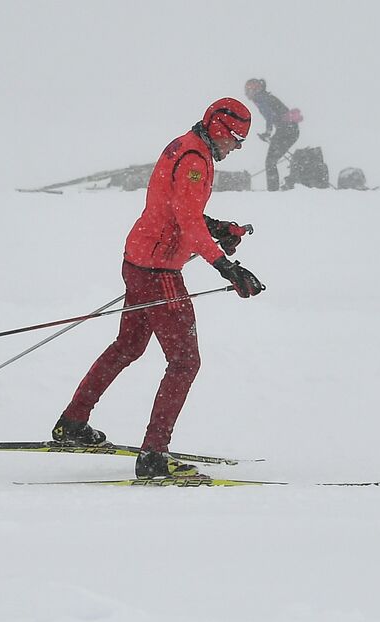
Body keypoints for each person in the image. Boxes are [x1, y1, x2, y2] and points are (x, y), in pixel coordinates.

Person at [50, 99, 267, 479]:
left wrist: (217, 229)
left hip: (138, 259)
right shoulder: (196, 161)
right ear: (219, 129)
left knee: (129, 346)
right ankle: (153, 455)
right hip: (158, 271)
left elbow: (178, 209)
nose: (236, 148)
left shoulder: (185, 145)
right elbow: (186, 223)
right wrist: (227, 267)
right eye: (236, 139)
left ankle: (72, 423)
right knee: (185, 361)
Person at [244, 78, 300, 192]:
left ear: (255, 90)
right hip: (290, 130)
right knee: (271, 160)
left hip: (286, 131)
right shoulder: (265, 97)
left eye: (248, 90)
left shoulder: (261, 98)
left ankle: (273, 191)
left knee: (270, 161)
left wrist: (268, 132)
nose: (247, 94)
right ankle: (278, 187)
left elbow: (270, 116)